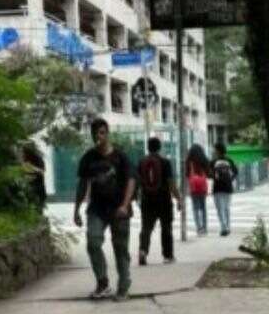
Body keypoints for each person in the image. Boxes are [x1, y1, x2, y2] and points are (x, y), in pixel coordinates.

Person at [73, 118, 136, 300]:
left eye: (101, 133)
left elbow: (131, 181)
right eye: (94, 134)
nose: (97, 137)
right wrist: (76, 210)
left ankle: (124, 286)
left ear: (107, 133)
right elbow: (82, 185)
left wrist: (125, 205)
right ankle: (103, 282)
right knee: (93, 243)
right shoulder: (88, 158)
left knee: (120, 248)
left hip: (119, 209)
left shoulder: (120, 157)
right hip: (97, 209)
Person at [135, 137, 178, 266]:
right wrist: (178, 198)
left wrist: (136, 197)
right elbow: (171, 182)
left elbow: (136, 182)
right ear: (159, 147)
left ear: (148, 147)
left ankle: (143, 250)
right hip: (164, 199)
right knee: (166, 228)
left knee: (146, 228)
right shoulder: (165, 162)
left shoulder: (141, 162)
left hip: (147, 199)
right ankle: (168, 255)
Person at [210, 142, 237, 238]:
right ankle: (228, 227)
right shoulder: (229, 160)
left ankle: (223, 228)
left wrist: (215, 177)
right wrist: (230, 180)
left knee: (219, 209)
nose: (213, 151)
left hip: (217, 188)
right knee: (226, 208)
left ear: (217, 150)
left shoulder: (213, 162)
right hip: (228, 187)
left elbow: (209, 174)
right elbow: (235, 172)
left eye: (214, 149)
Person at [185, 144, 210, 235]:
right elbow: (208, 173)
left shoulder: (189, 161)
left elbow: (187, 174)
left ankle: (199, 228)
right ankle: (205, 228)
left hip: (194, 188)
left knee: (195, 208)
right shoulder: (204, 160)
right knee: (203, 208)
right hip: (202, 187)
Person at [18, 141, 47, 213]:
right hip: (27, 190)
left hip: (38, 189)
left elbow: (42, 172)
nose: (22, 153)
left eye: (23, 151)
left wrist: (31, 168)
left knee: (37, 210)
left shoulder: (38, 159)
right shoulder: (23, 160)